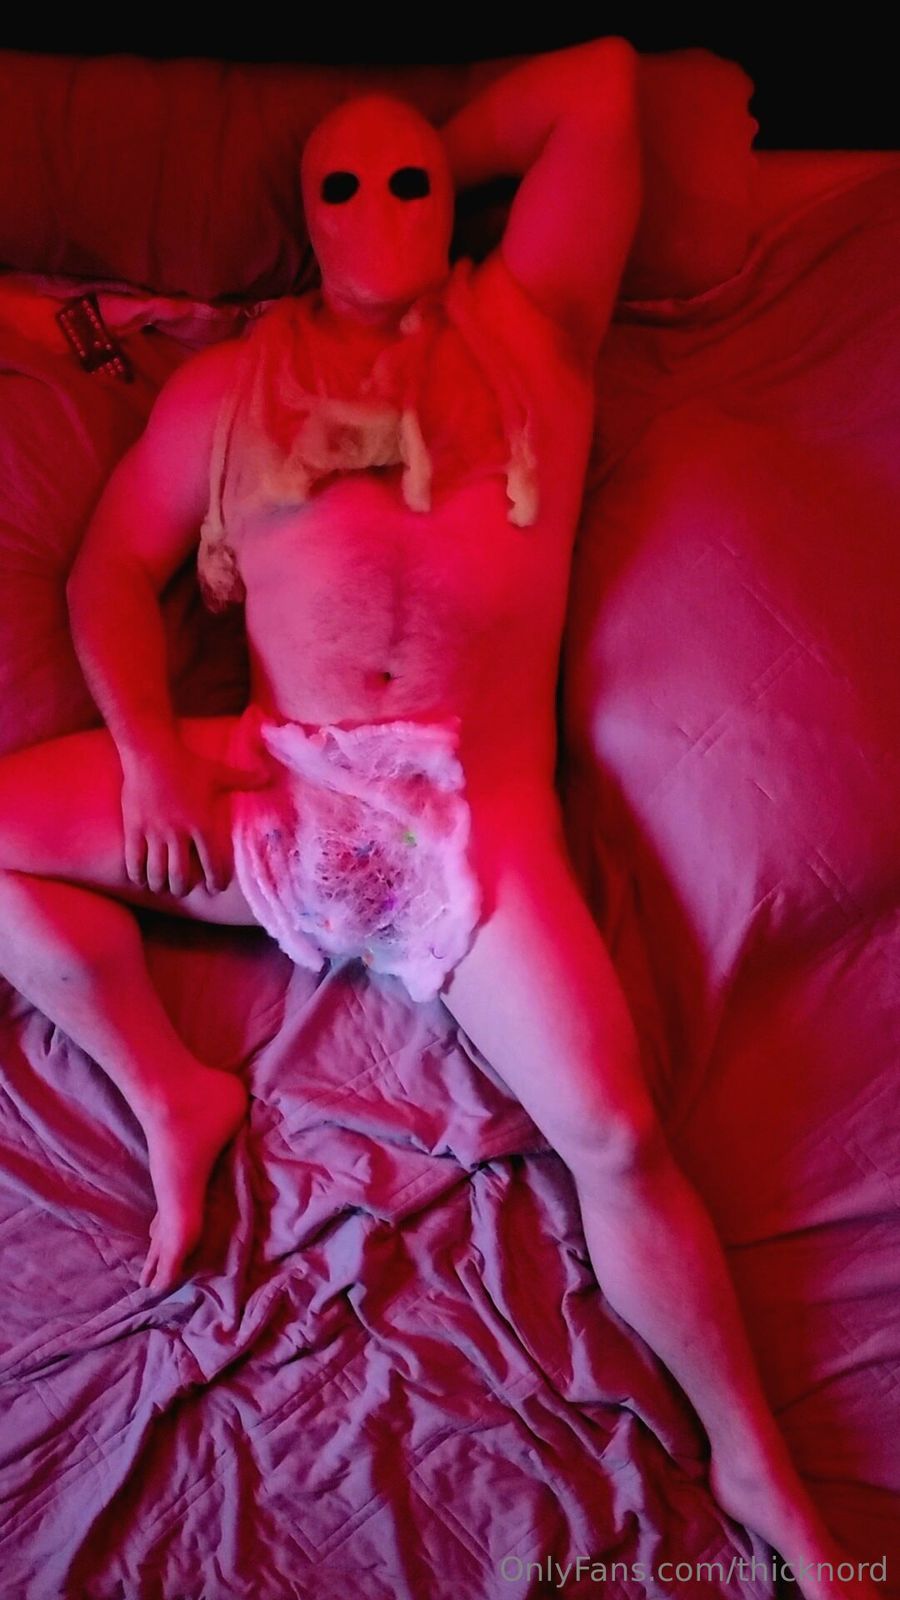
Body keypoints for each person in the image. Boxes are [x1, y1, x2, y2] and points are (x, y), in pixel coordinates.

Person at [0, 40, 875, 1600]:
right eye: (340, 187)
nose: (382, 203)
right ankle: (170, 1097)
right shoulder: (225, 389)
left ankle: (757, 1467)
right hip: (271, 785)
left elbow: (599, 85)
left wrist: (422, 154)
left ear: (455, 193)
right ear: (304, 219)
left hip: (473, 825)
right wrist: (145, 758)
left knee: (617, 1132)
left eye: (410, 178)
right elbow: (107, 576)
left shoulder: (532, 331)